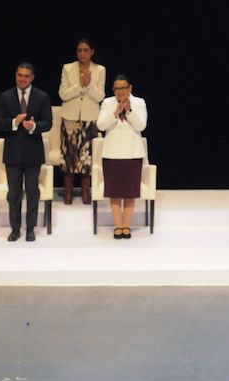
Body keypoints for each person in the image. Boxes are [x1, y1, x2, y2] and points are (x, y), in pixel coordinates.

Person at [0, 62, 52, 242]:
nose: (22, 79)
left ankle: (31, 229)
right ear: (15, 75)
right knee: (14, 194)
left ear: (32, 77)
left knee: (33, 192)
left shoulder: (42, 97)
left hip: (33, 152)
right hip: (13, 153)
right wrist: (13, 122)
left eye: (26, 76)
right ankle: (15, 229)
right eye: (20, 75)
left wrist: (33, 126)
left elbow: (48, 123)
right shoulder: (5, 97)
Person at [96, 75, 148, 239]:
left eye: (123, 88)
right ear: (113, 90)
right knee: (115, 191)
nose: (120, 91)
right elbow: (100, 125)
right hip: (112, 153)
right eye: (117, 88)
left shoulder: (139, 102)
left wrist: (129, 111)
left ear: (130, 88)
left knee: (129, 192)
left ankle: (126, 226)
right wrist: (115, 113)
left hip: (132, 153)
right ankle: (118, 226)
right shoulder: (107, 103)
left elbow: (141, 125)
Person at [58, 38, 106, 204]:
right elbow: (62, 94)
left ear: (92, 52)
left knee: (87, 157)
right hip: (70, 117)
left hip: (90, 117)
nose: (82, 53)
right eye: (79, 50)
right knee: (69, 156)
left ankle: (86, 191)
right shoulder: (68, 68)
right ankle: (68, 191)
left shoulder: (100, 70)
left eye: (86, 50)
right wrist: (79, 85)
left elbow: (100, 96)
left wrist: (88, 84)